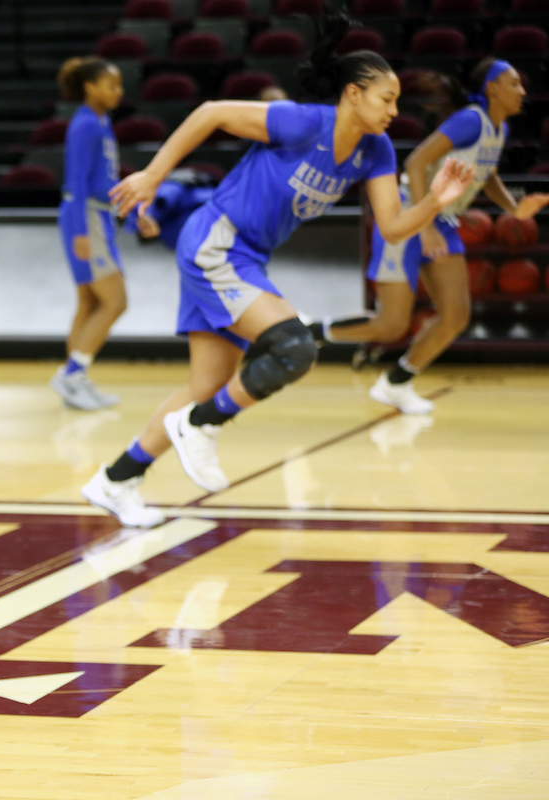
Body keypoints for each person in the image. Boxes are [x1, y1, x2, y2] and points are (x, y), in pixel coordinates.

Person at [79, 17, 474, 526]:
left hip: (244, 258)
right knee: (294, 346)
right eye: (386, 99)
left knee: (206, 383)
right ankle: (201, 425)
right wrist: (153, 175)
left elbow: (395, 228)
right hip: (214, 244)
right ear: (353, 95)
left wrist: (436, 202)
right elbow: (212, 112)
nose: (395, 113)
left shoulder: (374, 151)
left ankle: (115, 479)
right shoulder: (302, 122)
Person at [311, 58, 549, 413]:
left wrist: (514, 209)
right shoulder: (470, 120)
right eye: (513, 83)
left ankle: (396, 383)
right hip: (408, 215)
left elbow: (486, 174)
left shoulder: (497, 130)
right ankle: (312, 332)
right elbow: (416, 163)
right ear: (492, 88)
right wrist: (423, 227)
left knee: (455, 316)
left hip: (444, 220)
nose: (522, 90)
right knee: (390, 326)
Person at [50, 56, 127, 410]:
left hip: (97, 216)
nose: (118, 92)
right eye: (111, 85)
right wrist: (81, 230)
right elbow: (77, 182)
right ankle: (72, 375)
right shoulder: (85, 125)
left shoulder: (101, 121)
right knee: (115, 301)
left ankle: (74, 381)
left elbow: (103, 177)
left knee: (90, 301)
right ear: (90, 87)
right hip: (86, 218)